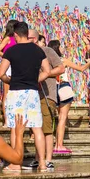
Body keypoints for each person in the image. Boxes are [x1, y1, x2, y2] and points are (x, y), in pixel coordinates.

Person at [0, 21, 51, 172]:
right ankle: (42, 163)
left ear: (15, 35)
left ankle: (16, 164)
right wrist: (35, 79)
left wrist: (11, 80)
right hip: (33, 92)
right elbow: (47, 71)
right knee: (37, 128)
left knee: (16, 128)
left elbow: (1, 73)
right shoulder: (38, 51)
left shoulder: (11, 51)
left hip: (16, 93)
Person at [23, 33, 64, 170]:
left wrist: (44, 74)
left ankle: (48, 160)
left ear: (33, 39)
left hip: (47, 95)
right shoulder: (27, 54)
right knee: (36, 129)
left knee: (46, 129)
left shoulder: (48, 51)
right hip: (33, 95)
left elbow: (61, 68)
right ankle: (38, 158)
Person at [48, 40, 90, 154]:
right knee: (62, 118)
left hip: (52, 90)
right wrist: (89, 62)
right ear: (57, 48)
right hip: (64, 87)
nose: (63, 48)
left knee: (56, 118)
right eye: (61, 46)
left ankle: (54, 143)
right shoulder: (63, 61)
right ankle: (59, 145)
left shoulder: (47, 61)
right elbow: (81, 69)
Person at [0, 19, 18, 128]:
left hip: (17, 67)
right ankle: (6, 120)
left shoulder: (19, 39)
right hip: (8, 68)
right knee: (7, 94)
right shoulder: (8, 39)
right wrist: (8, 56)